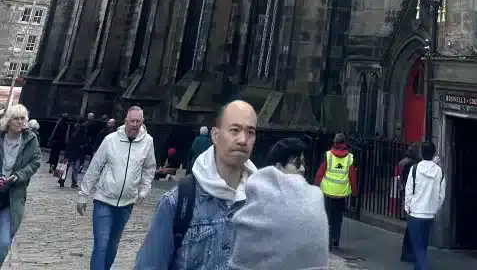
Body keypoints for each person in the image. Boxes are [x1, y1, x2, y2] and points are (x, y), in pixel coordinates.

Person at [134, 100, 256, 270]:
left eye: (250, 132)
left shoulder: (263, 204)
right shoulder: (178, 202)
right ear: (215, 135)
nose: (243, 139)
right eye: (234, 130)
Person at [231, 136, 329, 270]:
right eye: (297, 163)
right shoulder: (252, 205)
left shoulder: (313, 201)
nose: (303, 169)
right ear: (278, 168)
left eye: (303, 163)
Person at [77, 106, 156, 270]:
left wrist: (144, 189)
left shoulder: (148, 141)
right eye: (132, 121)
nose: (135, 124)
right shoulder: (111, 140)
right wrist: (83, 194)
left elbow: (149, 168)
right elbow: (95, 167)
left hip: (127, 203)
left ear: (142, 122)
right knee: (101, 244)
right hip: (104, 200)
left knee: (113, 245)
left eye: (138, 121)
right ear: (126, 121)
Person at [0, 103, 41, 266]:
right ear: (8, 121)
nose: (20, 122)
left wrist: (19, 175)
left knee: (3, 242)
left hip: (13, 197)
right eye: (16, 118)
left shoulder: (31, 139)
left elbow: (36, 161)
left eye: (23, 118)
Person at [404, 141, 445, 270]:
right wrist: (435, 208)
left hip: (415, 212)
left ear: (421, 153)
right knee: (423, 245)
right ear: (433, 154)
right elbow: (441, 195)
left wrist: (408, 207)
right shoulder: (439, 171)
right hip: (429, 213)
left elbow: (409, 190)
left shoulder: (415, 169)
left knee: (418, 247)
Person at [315, 132, 357, 250]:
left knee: (327, 215)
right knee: (338, 217)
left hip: (328, 191)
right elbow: (353, 178)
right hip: (341, 193)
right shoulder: (349, 158)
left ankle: (327, 240)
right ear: (344, 143)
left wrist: (316, 186)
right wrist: (354, 195)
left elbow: (320, 173)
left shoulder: (328, 155)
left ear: (334, 142)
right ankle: (335, 239)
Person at [397, 143, 420, 262]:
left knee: (410, 226)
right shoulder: (412, 165)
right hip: (412, 197)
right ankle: (408, 253)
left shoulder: (404, 162)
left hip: (407, 195)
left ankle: (407, 253)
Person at [63, 116, 90, 188]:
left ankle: (63, 179)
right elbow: (83, 142)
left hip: (70, 150)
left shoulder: (74, 128)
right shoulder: (81, 131)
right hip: (76, 151)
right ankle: (73, 182)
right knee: (74, 167)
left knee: (67, 166)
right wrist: (84, 145)